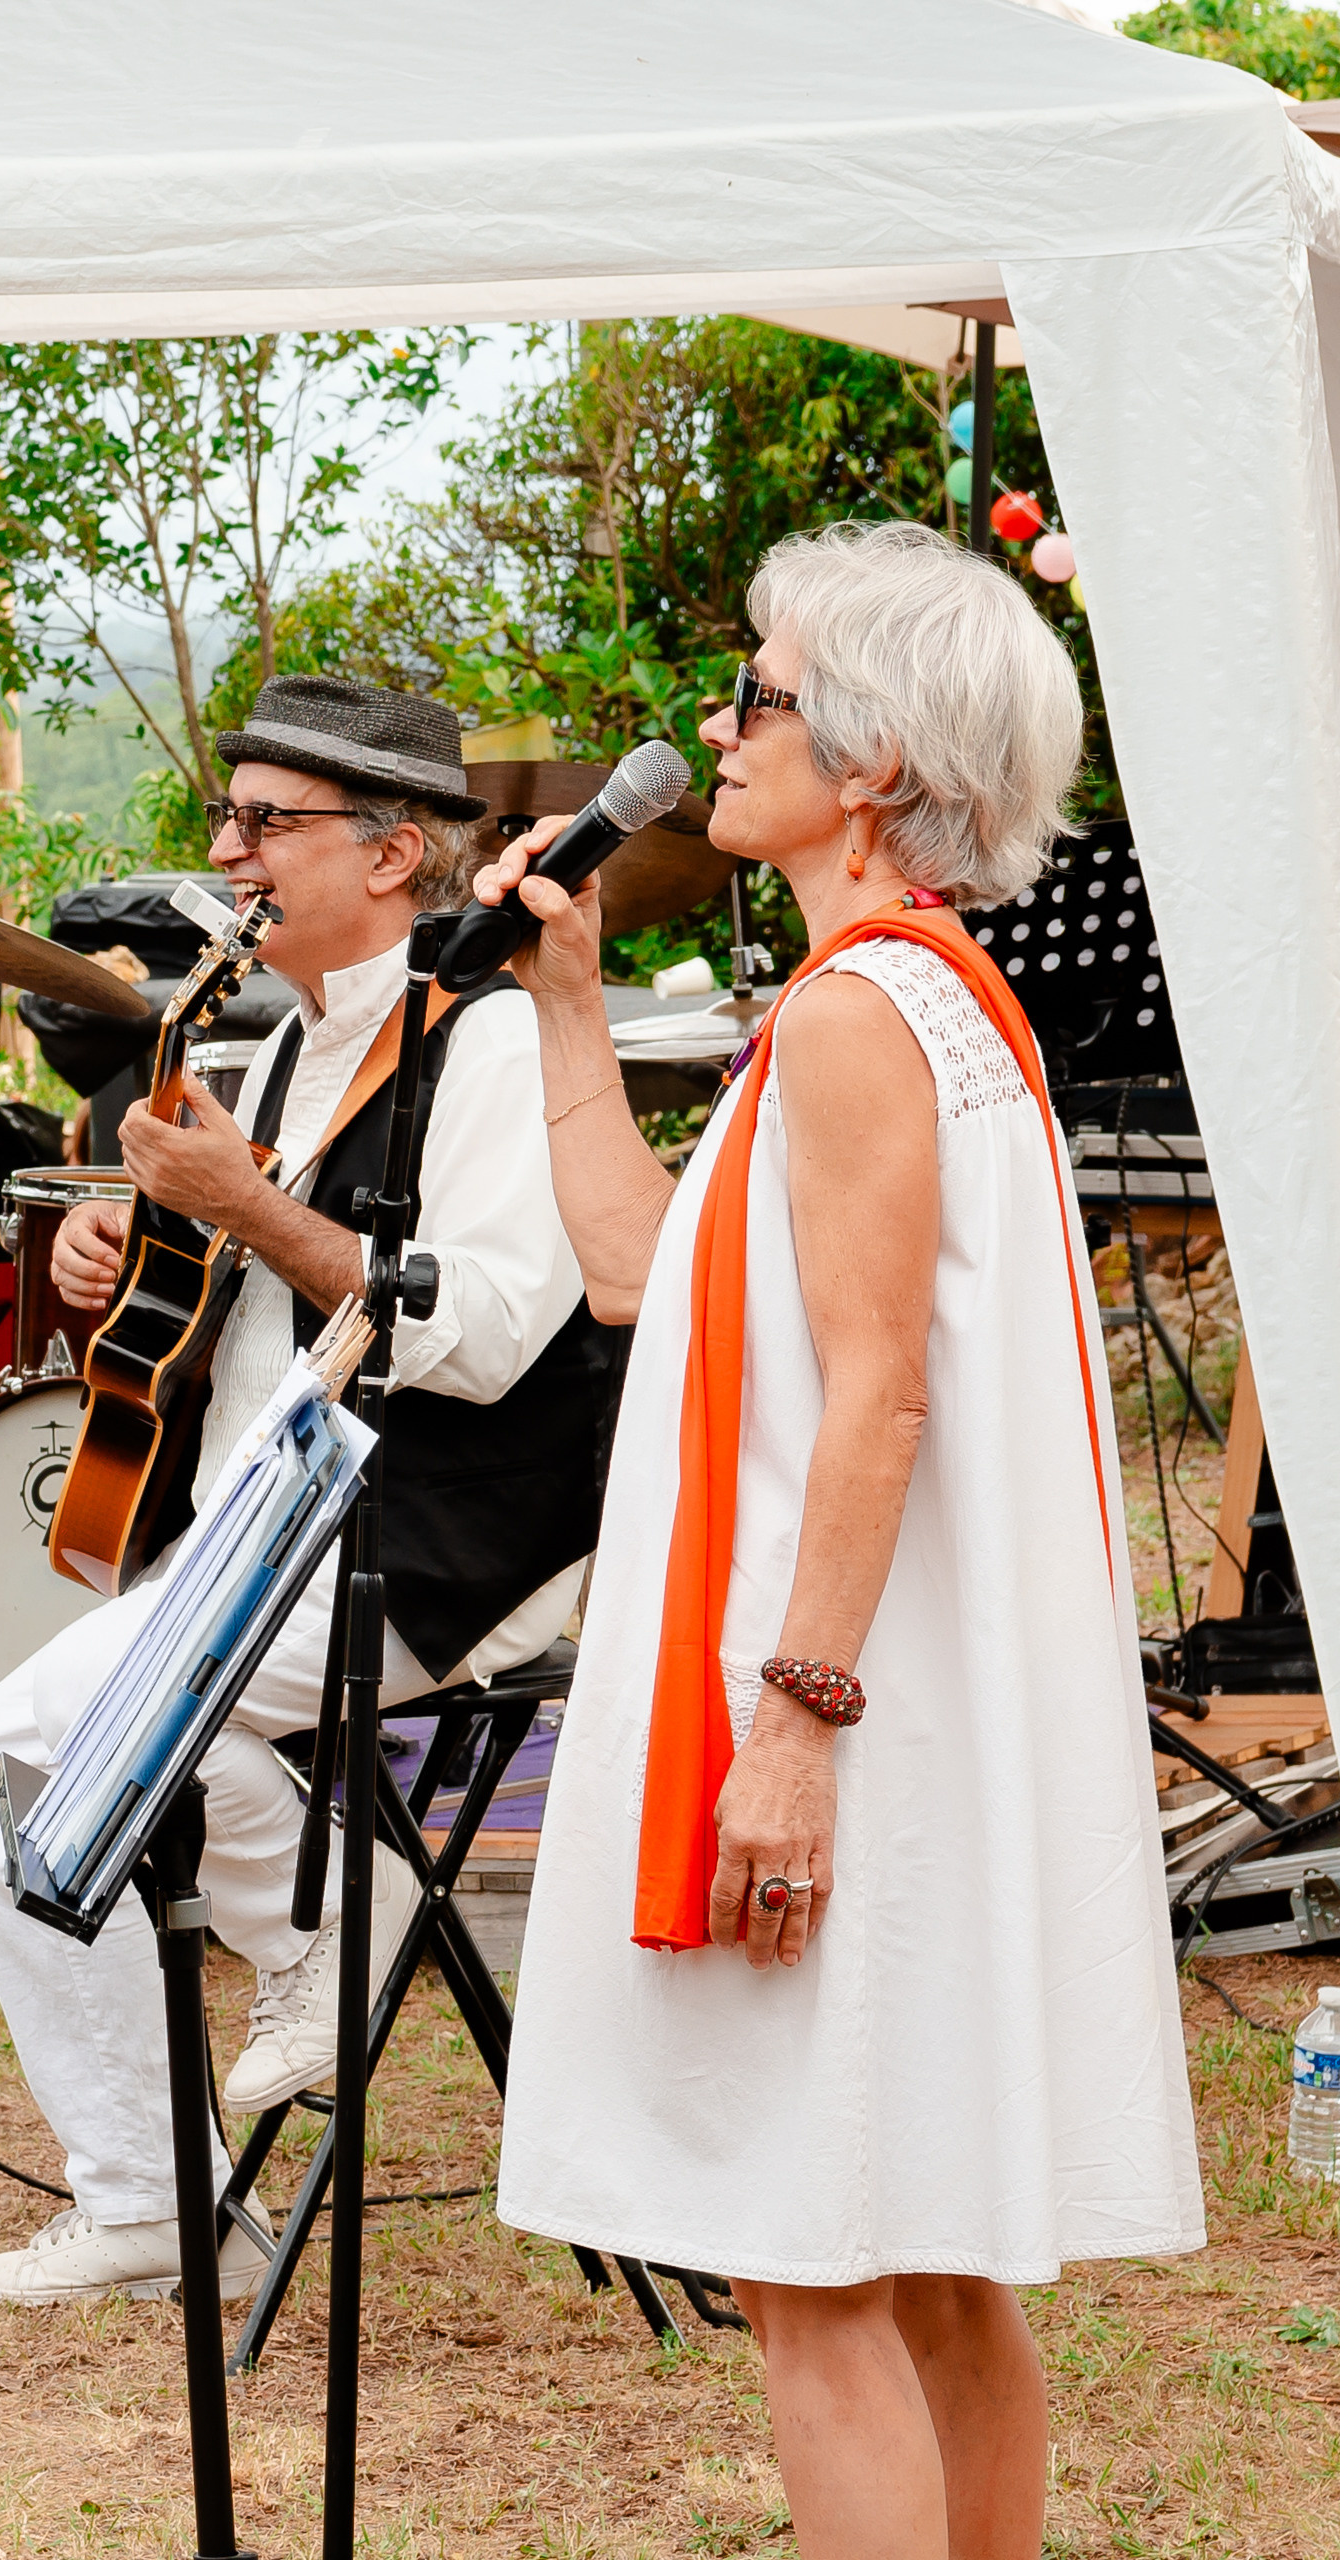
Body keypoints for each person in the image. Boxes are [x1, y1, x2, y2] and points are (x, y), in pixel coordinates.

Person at [490, 522, 1204, 2560]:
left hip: (829, 1711)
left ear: (870, 755)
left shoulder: (853, 1017)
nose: (713, 726)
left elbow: (877, 1384)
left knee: (810, 2267)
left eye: (760, 691)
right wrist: (562, 1009)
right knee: (927, 2245)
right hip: (881, 1704)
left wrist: (787, 1724)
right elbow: (648, 1281)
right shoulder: (890, 999)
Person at [0, 674, 618, 2307]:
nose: (228, 853)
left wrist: (246, 1202)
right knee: (3, 1777)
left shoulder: (495, 1040)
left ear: (393, 856)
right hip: (283, 1523)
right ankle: (231, 2064)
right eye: (230, 819)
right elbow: (272, 1302)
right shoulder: (293, 1043)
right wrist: (134, 1246)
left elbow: (485, 1326)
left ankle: (294, 1949)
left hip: (455, 1528)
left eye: (265, 823)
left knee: (3, 1763)